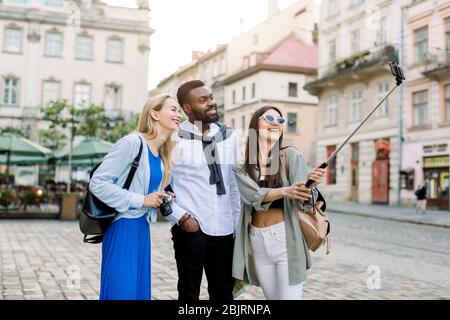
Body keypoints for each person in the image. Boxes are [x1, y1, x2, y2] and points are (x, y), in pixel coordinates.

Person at [89, 94, 182, 300]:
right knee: (121, 291)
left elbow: (144, 188)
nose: (179, 114)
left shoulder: (163, 153)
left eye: (179, 111)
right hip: (122, 226)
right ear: (154, 114)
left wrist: (161, 196)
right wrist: (142, 200)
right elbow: (98, 182)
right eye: (173, 109)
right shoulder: (132, 142)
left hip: (142, 227)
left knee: (138, 292)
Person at [232, 106, 326, 300]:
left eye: (280, 121)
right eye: (269, 118)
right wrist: (285, 191)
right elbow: (252, 196)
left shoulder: (291, 155)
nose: (276, 123)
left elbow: (304, 205)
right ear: (255, 124)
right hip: (256, 240)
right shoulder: (241, 166)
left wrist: (309, 187)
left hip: (285, 239)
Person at [165, 80, 241, 300]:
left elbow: (233, 184)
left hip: (225, 230)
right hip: (192, 229)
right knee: (189, 295)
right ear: (187, 108)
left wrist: (236, 225)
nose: (211, 103)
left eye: (211, 98)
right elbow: (161, 186)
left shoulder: (229, 137)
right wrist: (181, 218)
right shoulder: (172, 138)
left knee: (224, 295)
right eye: (203, 100)